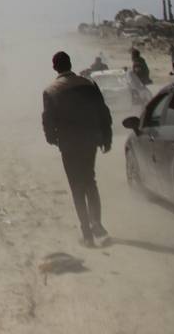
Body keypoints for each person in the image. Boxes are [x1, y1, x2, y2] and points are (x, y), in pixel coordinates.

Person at [42, 51, 113, 247]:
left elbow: (48, 121)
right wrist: (107, 136)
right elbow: (103, 110)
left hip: (68, 144)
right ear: (70, 64)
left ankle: (87, 233)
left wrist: (53, 139)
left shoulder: (51, 91)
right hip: (90, 139)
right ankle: (97, 224)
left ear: (55, 67)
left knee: (76, 186)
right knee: (90, 180)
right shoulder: (88, 84)